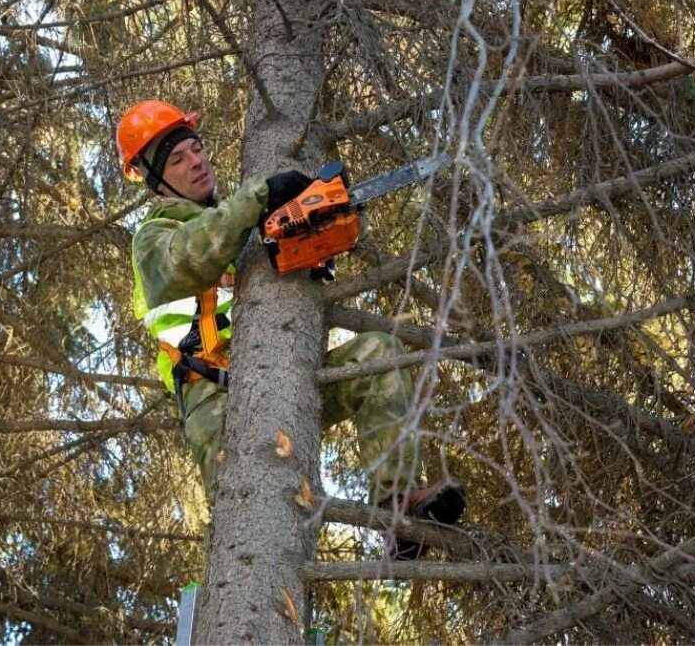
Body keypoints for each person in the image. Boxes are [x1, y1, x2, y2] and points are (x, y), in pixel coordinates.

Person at [119, 100, 464, 558]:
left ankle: (398, 507)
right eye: (177, 159)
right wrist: (260, 194)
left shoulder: (240, 225)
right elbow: (193, 256)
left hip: (285, 376)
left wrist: (307, 253)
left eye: (196, 149)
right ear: (153, 178)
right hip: (216, 400)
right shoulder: (155, 234)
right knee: (248, 513)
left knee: (378, 352)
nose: (196, 162)